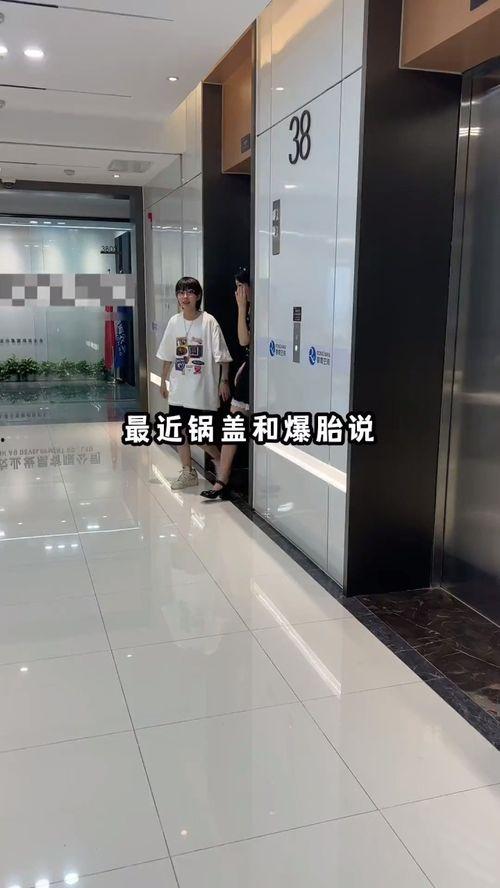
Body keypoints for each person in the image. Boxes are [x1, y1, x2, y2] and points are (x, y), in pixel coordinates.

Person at [157, 276, 232, 490]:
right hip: (179, 388)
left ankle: (222, 463)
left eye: (190, 292)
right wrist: (163, 381)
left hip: (201, 390)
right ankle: (187, 471)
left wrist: (224, 380)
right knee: (179, 431)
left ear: (198, 296)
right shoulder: (174, 322)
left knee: (200, 436)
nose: (185, 296)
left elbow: (223, 356)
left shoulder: (208, 321)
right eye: (181, 292)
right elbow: (168, 355)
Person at [201, 267, 251, 500]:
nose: (238, 292)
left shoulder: (258, 308)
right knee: (234, 422)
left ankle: (224, 477)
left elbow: (244, 340)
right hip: (249, 373)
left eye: (241, 286)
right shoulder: (249, 309)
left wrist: (241, 308)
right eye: (236, 287)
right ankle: (223, 478)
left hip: (266, 375)